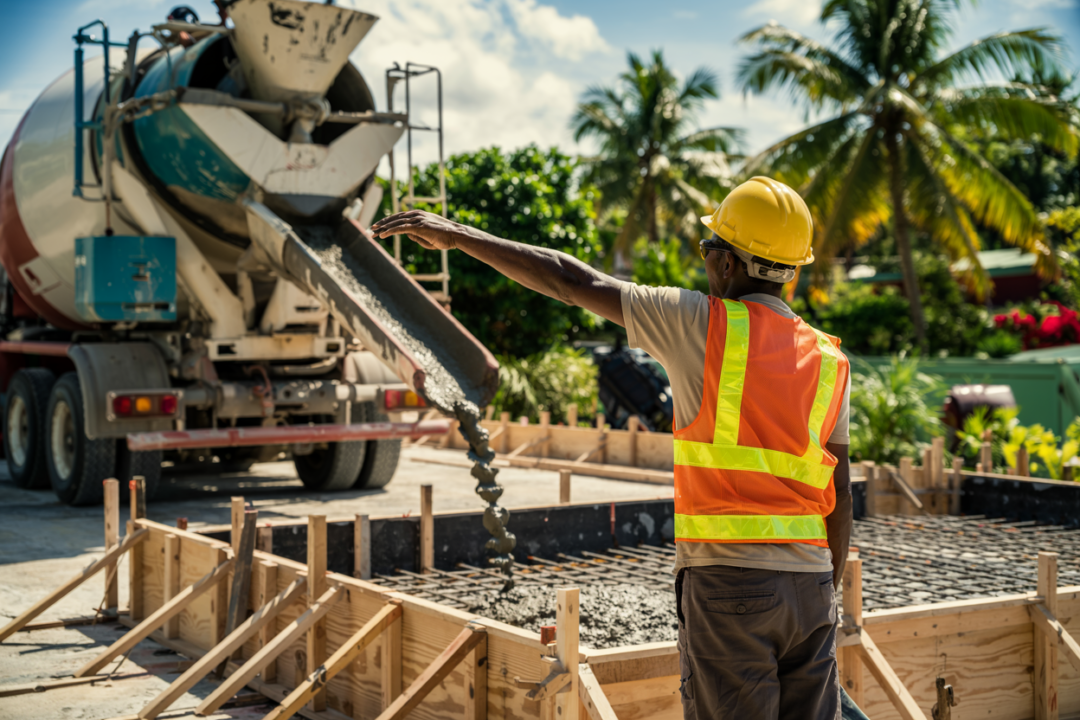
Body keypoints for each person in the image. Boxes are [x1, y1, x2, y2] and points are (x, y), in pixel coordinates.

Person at [372, 176, 851, 720]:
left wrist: (459, 236)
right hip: (812, 589)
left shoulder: (698, 323)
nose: (705, 264)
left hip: (729, 587)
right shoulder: (831, 361)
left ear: (728, 264)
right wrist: (823, 596)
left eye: (708, 250)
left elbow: (570, 279)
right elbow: (841, 494)